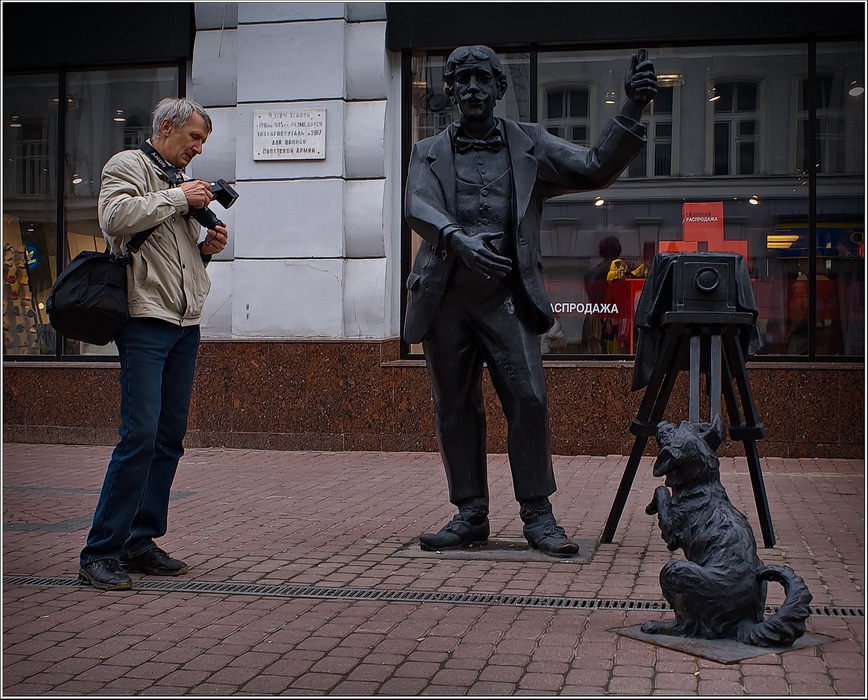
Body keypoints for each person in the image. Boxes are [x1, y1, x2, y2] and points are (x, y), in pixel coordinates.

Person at [404, 46, 656, 557]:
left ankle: (538, 513)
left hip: (507, 297)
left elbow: (592, 168)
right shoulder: (427, 150)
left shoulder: (529, 144)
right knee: (455, 407)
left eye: (483, 79)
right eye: (462, 79)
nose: (472, 88)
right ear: (450, 90)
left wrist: (631, 107)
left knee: (529, 398)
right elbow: (417, 204)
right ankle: (470, 512)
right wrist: (457, 238)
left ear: (498, 89)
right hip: (445, 296)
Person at [78, 98, 228, 590]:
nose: (198, 148)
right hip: (144, 320)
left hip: (185, 324)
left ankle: (140, 540)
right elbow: (116, 218)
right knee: (139, 435)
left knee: (167, 439)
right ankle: (100, 551)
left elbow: (176, 260)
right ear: (166, 127)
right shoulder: (129, 166)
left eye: (202, 141)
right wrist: (180, 199)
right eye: (193, 138)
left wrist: (205, 252)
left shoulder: (181, 185)